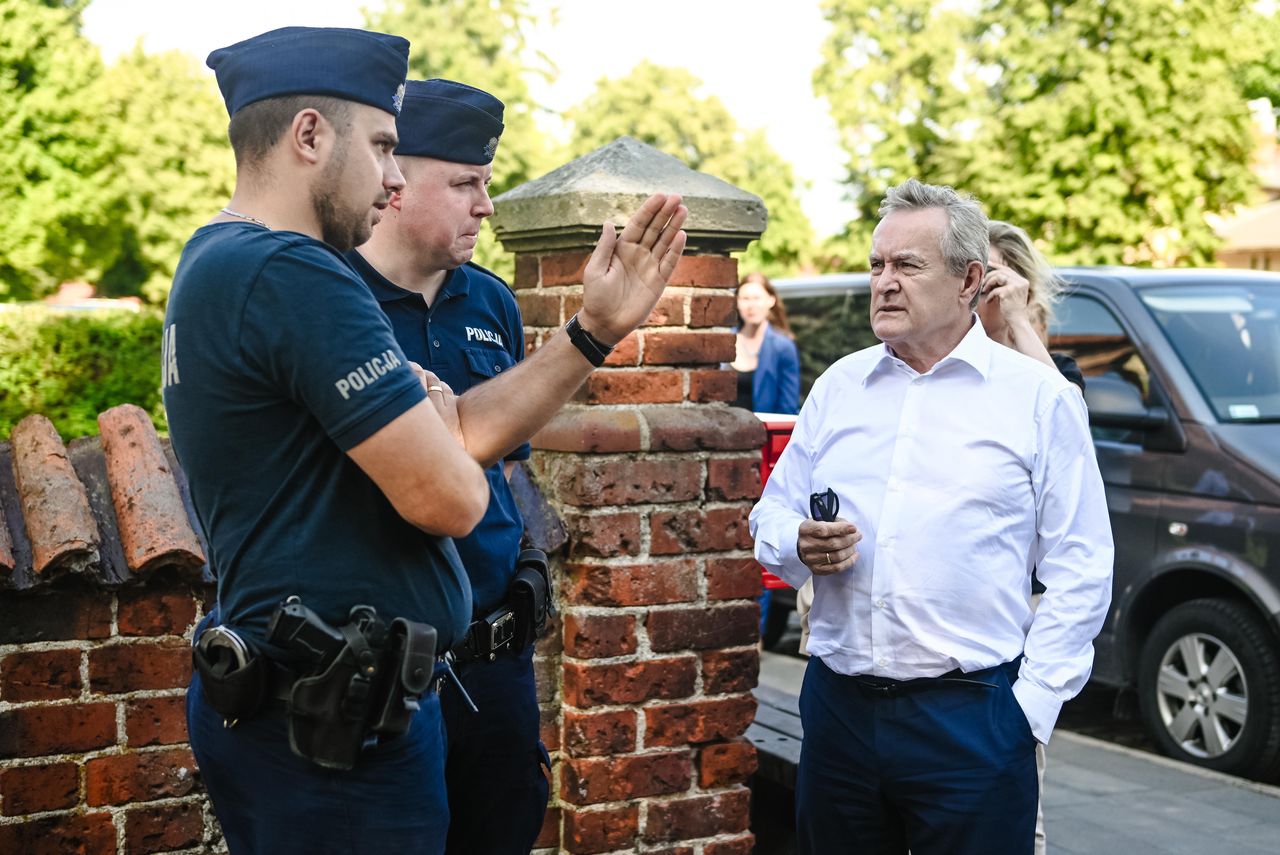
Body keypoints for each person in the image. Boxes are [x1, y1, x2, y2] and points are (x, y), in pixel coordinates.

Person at [163, 26, 687, 854]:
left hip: (322, 708)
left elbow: (465, 433)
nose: (394, 177)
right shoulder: (296, 272)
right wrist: (438, 429)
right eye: (380, 147)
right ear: (309, 136)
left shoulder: (215, 257)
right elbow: (453, 494)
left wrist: (593, 331)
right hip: (333, 733)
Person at [749, 178, 1113, 854]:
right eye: (876, 265)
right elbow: (770, 516)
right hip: (838, 713)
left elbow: (1083, 567)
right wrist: (796, 540)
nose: (884, 282)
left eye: (907, 265)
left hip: (972, 718)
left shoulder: (1038, 399)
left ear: (969, 278)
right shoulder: (839, 388)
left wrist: (1028, 711)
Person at [346, 78, 544, 854]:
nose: (485, 206)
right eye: (466, 183)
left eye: (486, 184)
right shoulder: (334, 299)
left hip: (495, 660)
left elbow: (508, 469)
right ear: (395, 184)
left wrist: (522, 552)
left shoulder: (491, 304)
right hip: (383, 667)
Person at [979, 220, 1084, 392]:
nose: (970, 292)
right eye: (967, 276)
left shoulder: (1060, 368)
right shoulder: (938, 362)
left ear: (1022, 295)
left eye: (987, 280)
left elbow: (1063, 410)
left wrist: (1018, 319)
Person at [731, 272, 800, 414]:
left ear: (771, 300)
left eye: (757, 298)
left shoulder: (783, 347)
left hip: (764, 432)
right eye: (745, 298)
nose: (751, 305)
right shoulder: (725, 340)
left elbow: (788, 407)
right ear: (737, 302)